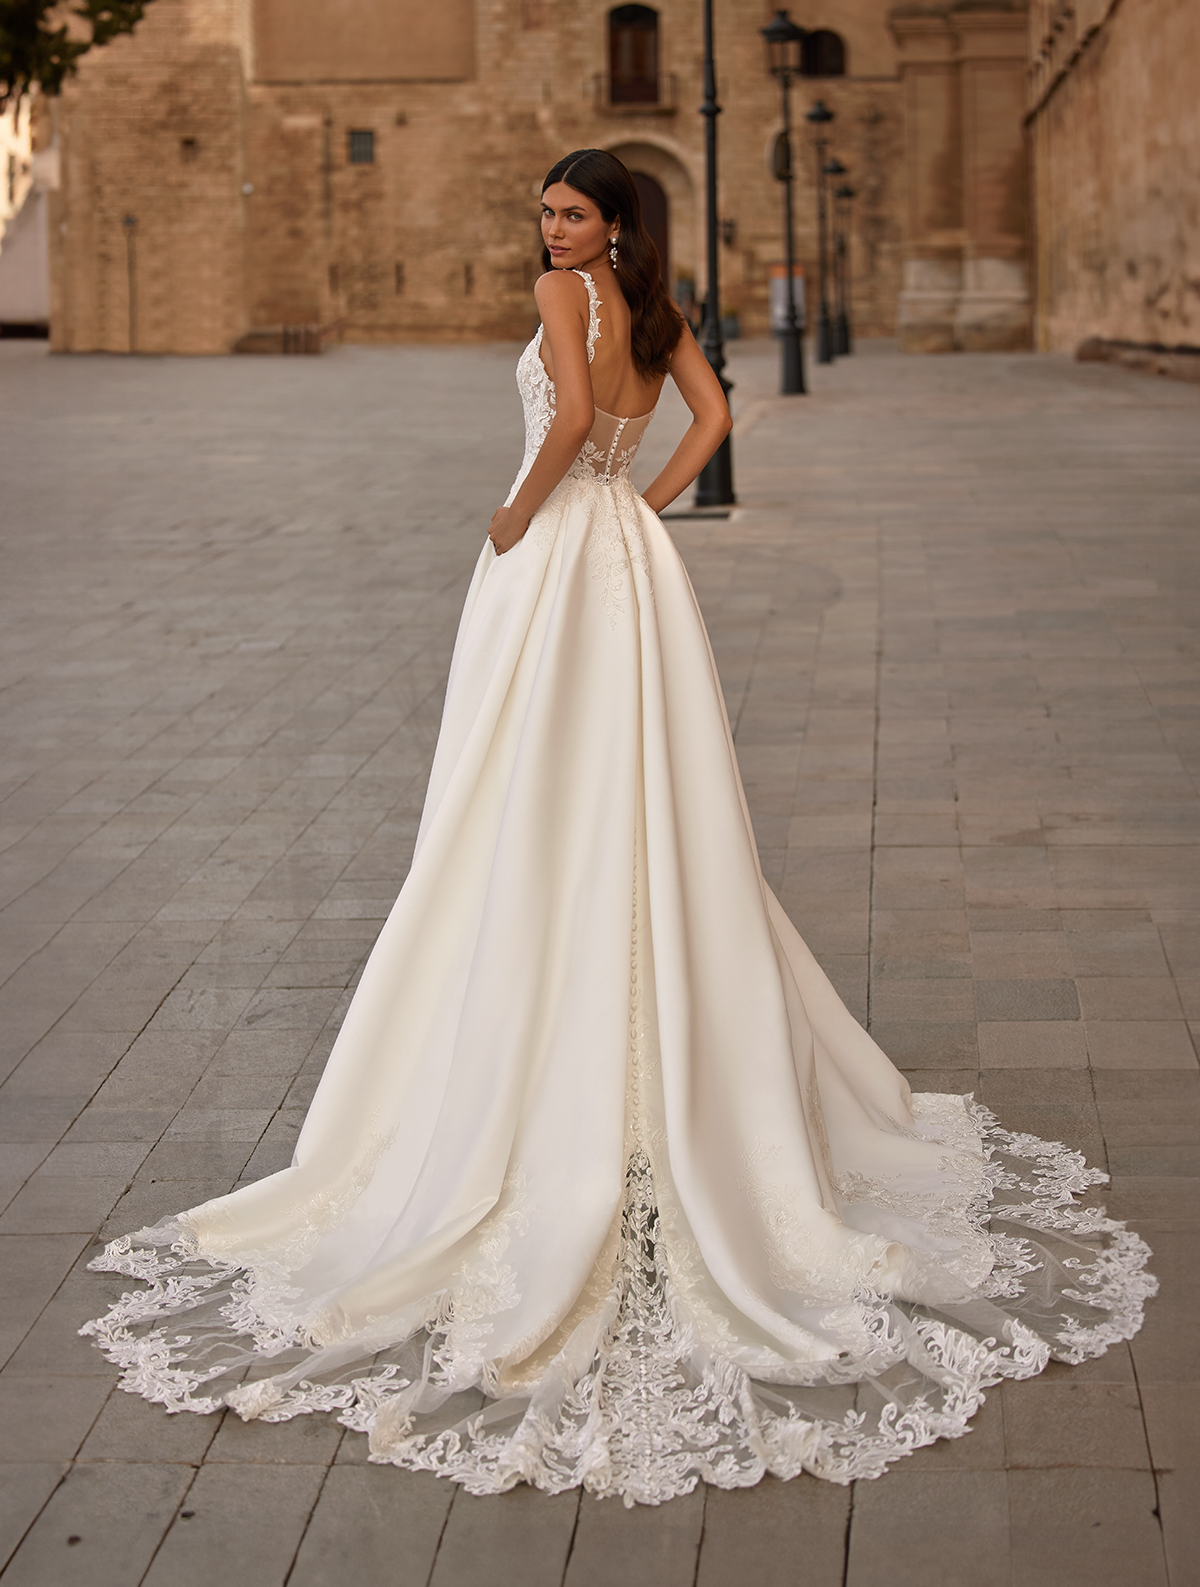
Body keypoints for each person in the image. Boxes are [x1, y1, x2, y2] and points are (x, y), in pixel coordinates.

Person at [84, 151, 1155, 1507]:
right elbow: (708, 420)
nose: (551, 229)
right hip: (632, 564)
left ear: (609, 224)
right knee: (638, 782)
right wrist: (635, 506)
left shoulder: (560, 296)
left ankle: (555, 998)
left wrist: (526, 510)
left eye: (574, 213)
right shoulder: (660, 309)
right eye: (545, 211)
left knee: (522, 783)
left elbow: (573, 408)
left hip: (555, 560)